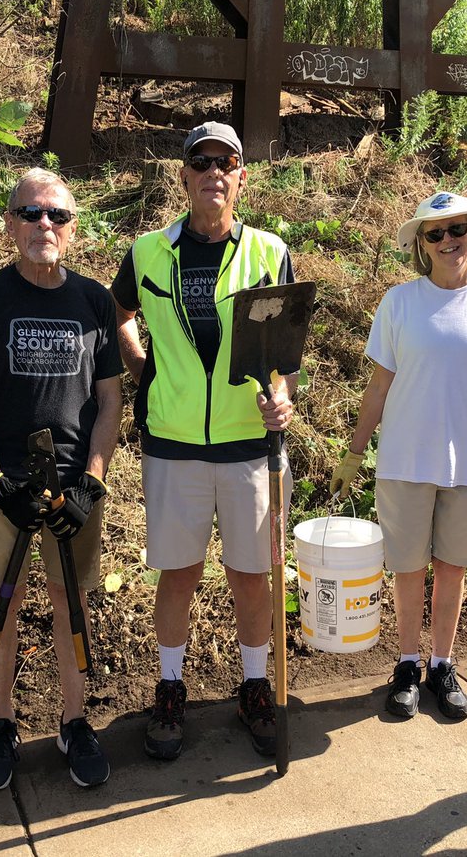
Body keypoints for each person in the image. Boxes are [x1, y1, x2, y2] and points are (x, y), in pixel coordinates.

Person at [111, 122, 295, 760]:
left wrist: (285, 398)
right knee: (179, 573)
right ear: (183, 176)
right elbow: (121, 318)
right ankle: (169, 687)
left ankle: (252, 685)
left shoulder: (270, 252)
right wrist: (147, 374)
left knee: (253, 574)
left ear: (242, 177)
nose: (215, 172)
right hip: (174, 444)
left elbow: (285, 345)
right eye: (202, 162)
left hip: (251, 444)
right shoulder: (145, 253)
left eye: (228, 162)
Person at [0, 168, 121, 790]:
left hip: (73, 487)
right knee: (3, 605)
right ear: (10, 221)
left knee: (73, 605)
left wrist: (91, 483)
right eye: (31, 213)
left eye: (57, 216)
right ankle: (1, 724)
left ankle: (75, 722)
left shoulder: (94, 300)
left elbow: (109, 403)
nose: (44, 224)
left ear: (72, 229)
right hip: (4, 490)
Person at [329, 191, 467, 721]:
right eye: (435, 233)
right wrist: (354, 453)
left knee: (452, 569)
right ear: (421, 244)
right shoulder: (400, 302)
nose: (448, 241)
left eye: (457, 229)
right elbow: (378, 386)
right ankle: (406, 663)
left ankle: (442, 663)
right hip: (404, 459)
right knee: (408, 569)